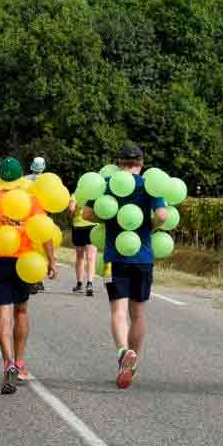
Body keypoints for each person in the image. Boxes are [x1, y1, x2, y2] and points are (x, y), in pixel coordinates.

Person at [83, 145, 167, 390]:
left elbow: (87, 214)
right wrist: (148, 229)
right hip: (143, 258)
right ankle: (133, 362)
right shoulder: (149, 185)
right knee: (138, 313)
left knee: (117, 311)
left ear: (118, 163)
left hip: (114, 258)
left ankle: (122, 352)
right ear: (141, 164)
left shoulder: (106, 182)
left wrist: (109, 220)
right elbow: (162, 216)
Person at [0, 157, 57, 394]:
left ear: (1, 177)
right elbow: (44, 232)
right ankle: (21, 362)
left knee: (2, 316)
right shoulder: (31, 200)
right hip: (25, 263)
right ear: (20, 177)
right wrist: (52, 261)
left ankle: (8, 363)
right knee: (22, 311)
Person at [67, 191, 97, 296]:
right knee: (91, 257)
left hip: (78, 226)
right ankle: (90, 284)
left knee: (80, 257)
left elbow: (71, 208)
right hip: (93, 227)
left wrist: (71, 217)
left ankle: (79, 284)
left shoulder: (76, 194)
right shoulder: (96, 194)